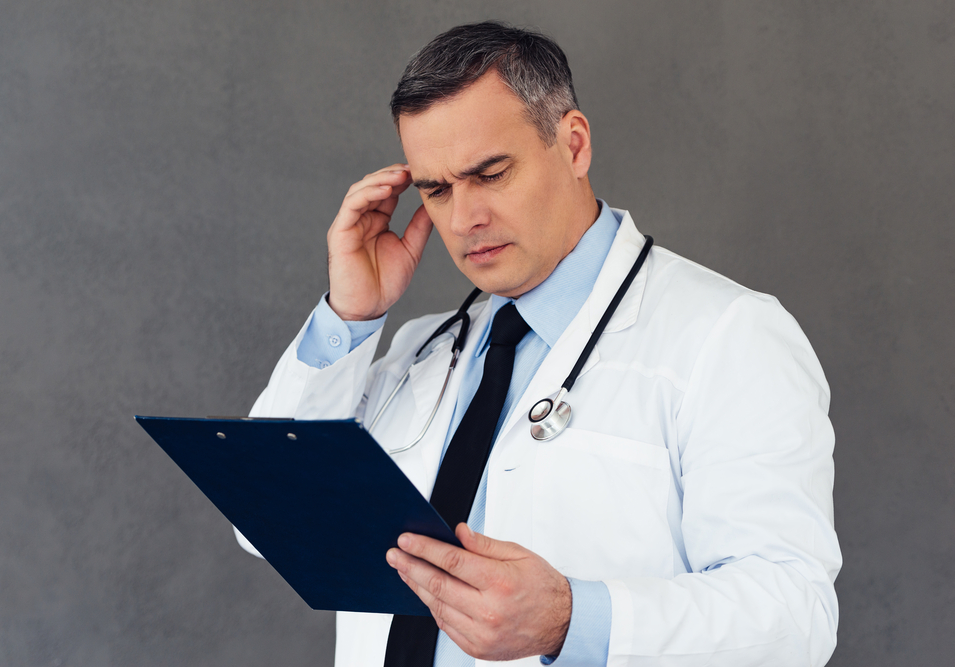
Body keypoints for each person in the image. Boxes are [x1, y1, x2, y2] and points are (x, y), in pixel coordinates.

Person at [236, 21, 842, 667]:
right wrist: (348, 317)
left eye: (491, 173)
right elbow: (267, 521)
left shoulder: (729, 334)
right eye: (437, 190)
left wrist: (571, 620)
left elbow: (793, 615)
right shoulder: (421, 350)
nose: (464, 219)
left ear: (574, 144)